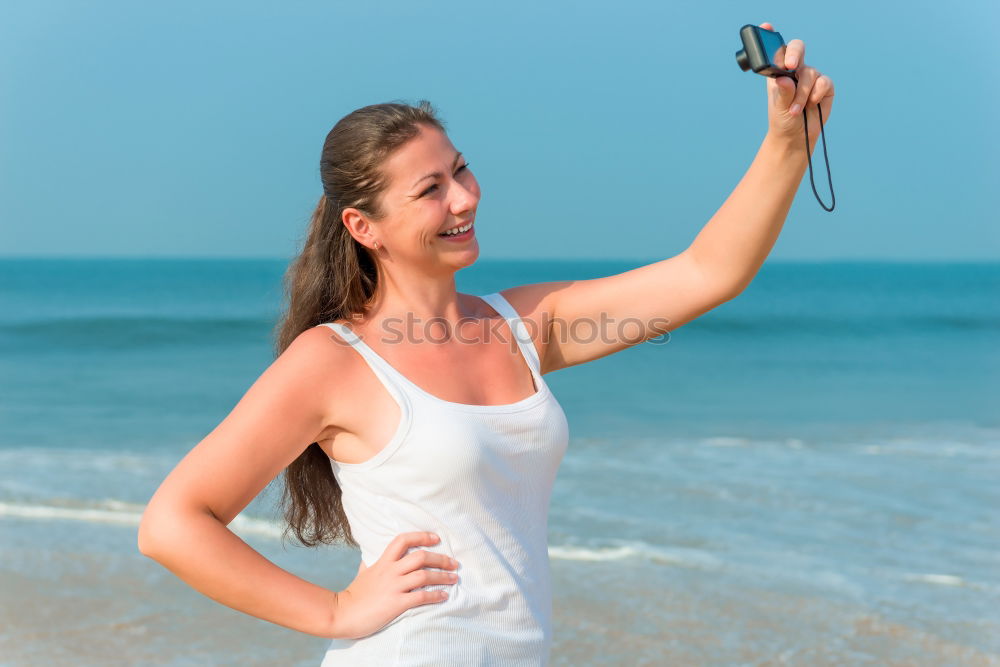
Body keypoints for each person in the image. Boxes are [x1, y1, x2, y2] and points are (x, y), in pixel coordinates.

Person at [137, 22, 834, 665]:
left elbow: (706, 273)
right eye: (430, 190)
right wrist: (336, 609)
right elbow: (172, 523)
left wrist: (785, 145)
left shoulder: (525, 327)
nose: (464, 199)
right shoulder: (334, 361)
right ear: (363, 225)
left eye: (461, 171)